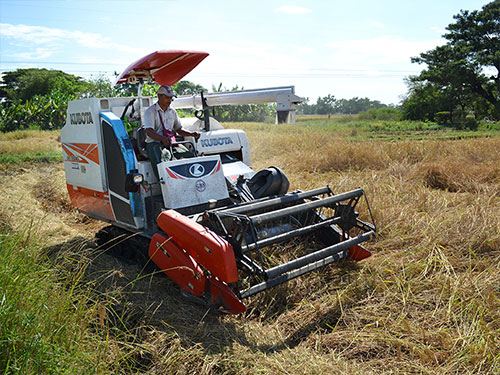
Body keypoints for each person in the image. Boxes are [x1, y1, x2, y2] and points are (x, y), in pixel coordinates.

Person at [143, 85, 200, 179]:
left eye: (171, 98)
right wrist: (162, 138)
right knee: (162, 164)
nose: (169, 100)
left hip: (170, 142)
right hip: (154, 144)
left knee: (190, 157)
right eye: (167, 97)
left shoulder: (172, 111)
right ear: (159, 96)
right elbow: (149, 132)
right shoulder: (150, 111)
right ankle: (164, 185)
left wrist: (192, 134)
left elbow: (178, 129)